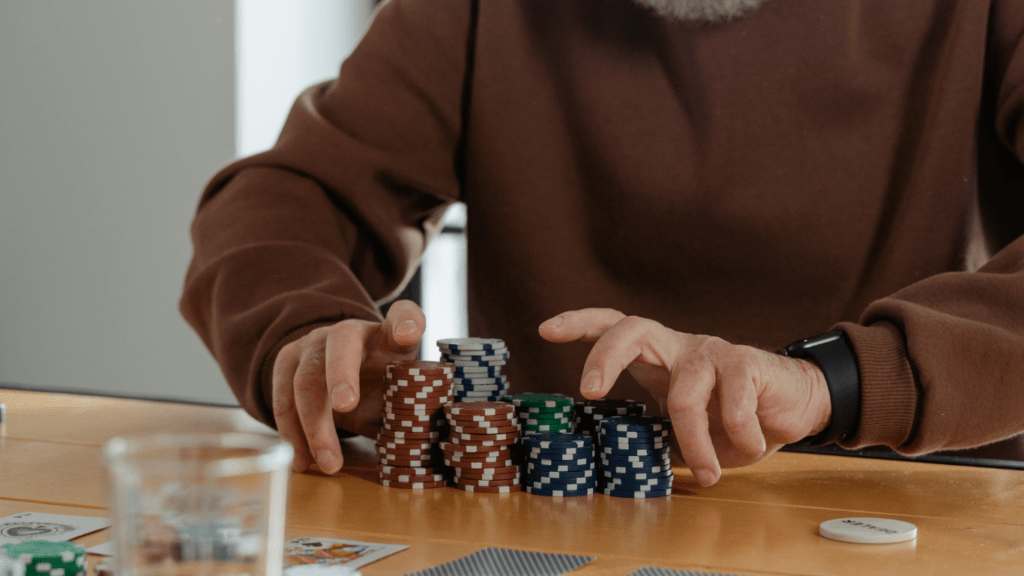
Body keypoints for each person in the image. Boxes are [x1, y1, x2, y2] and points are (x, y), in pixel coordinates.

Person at [181, 0, 1024, 486]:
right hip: (555, 524)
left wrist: (830, 381)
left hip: (924, 506)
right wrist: (304, 337)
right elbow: (287, 196)